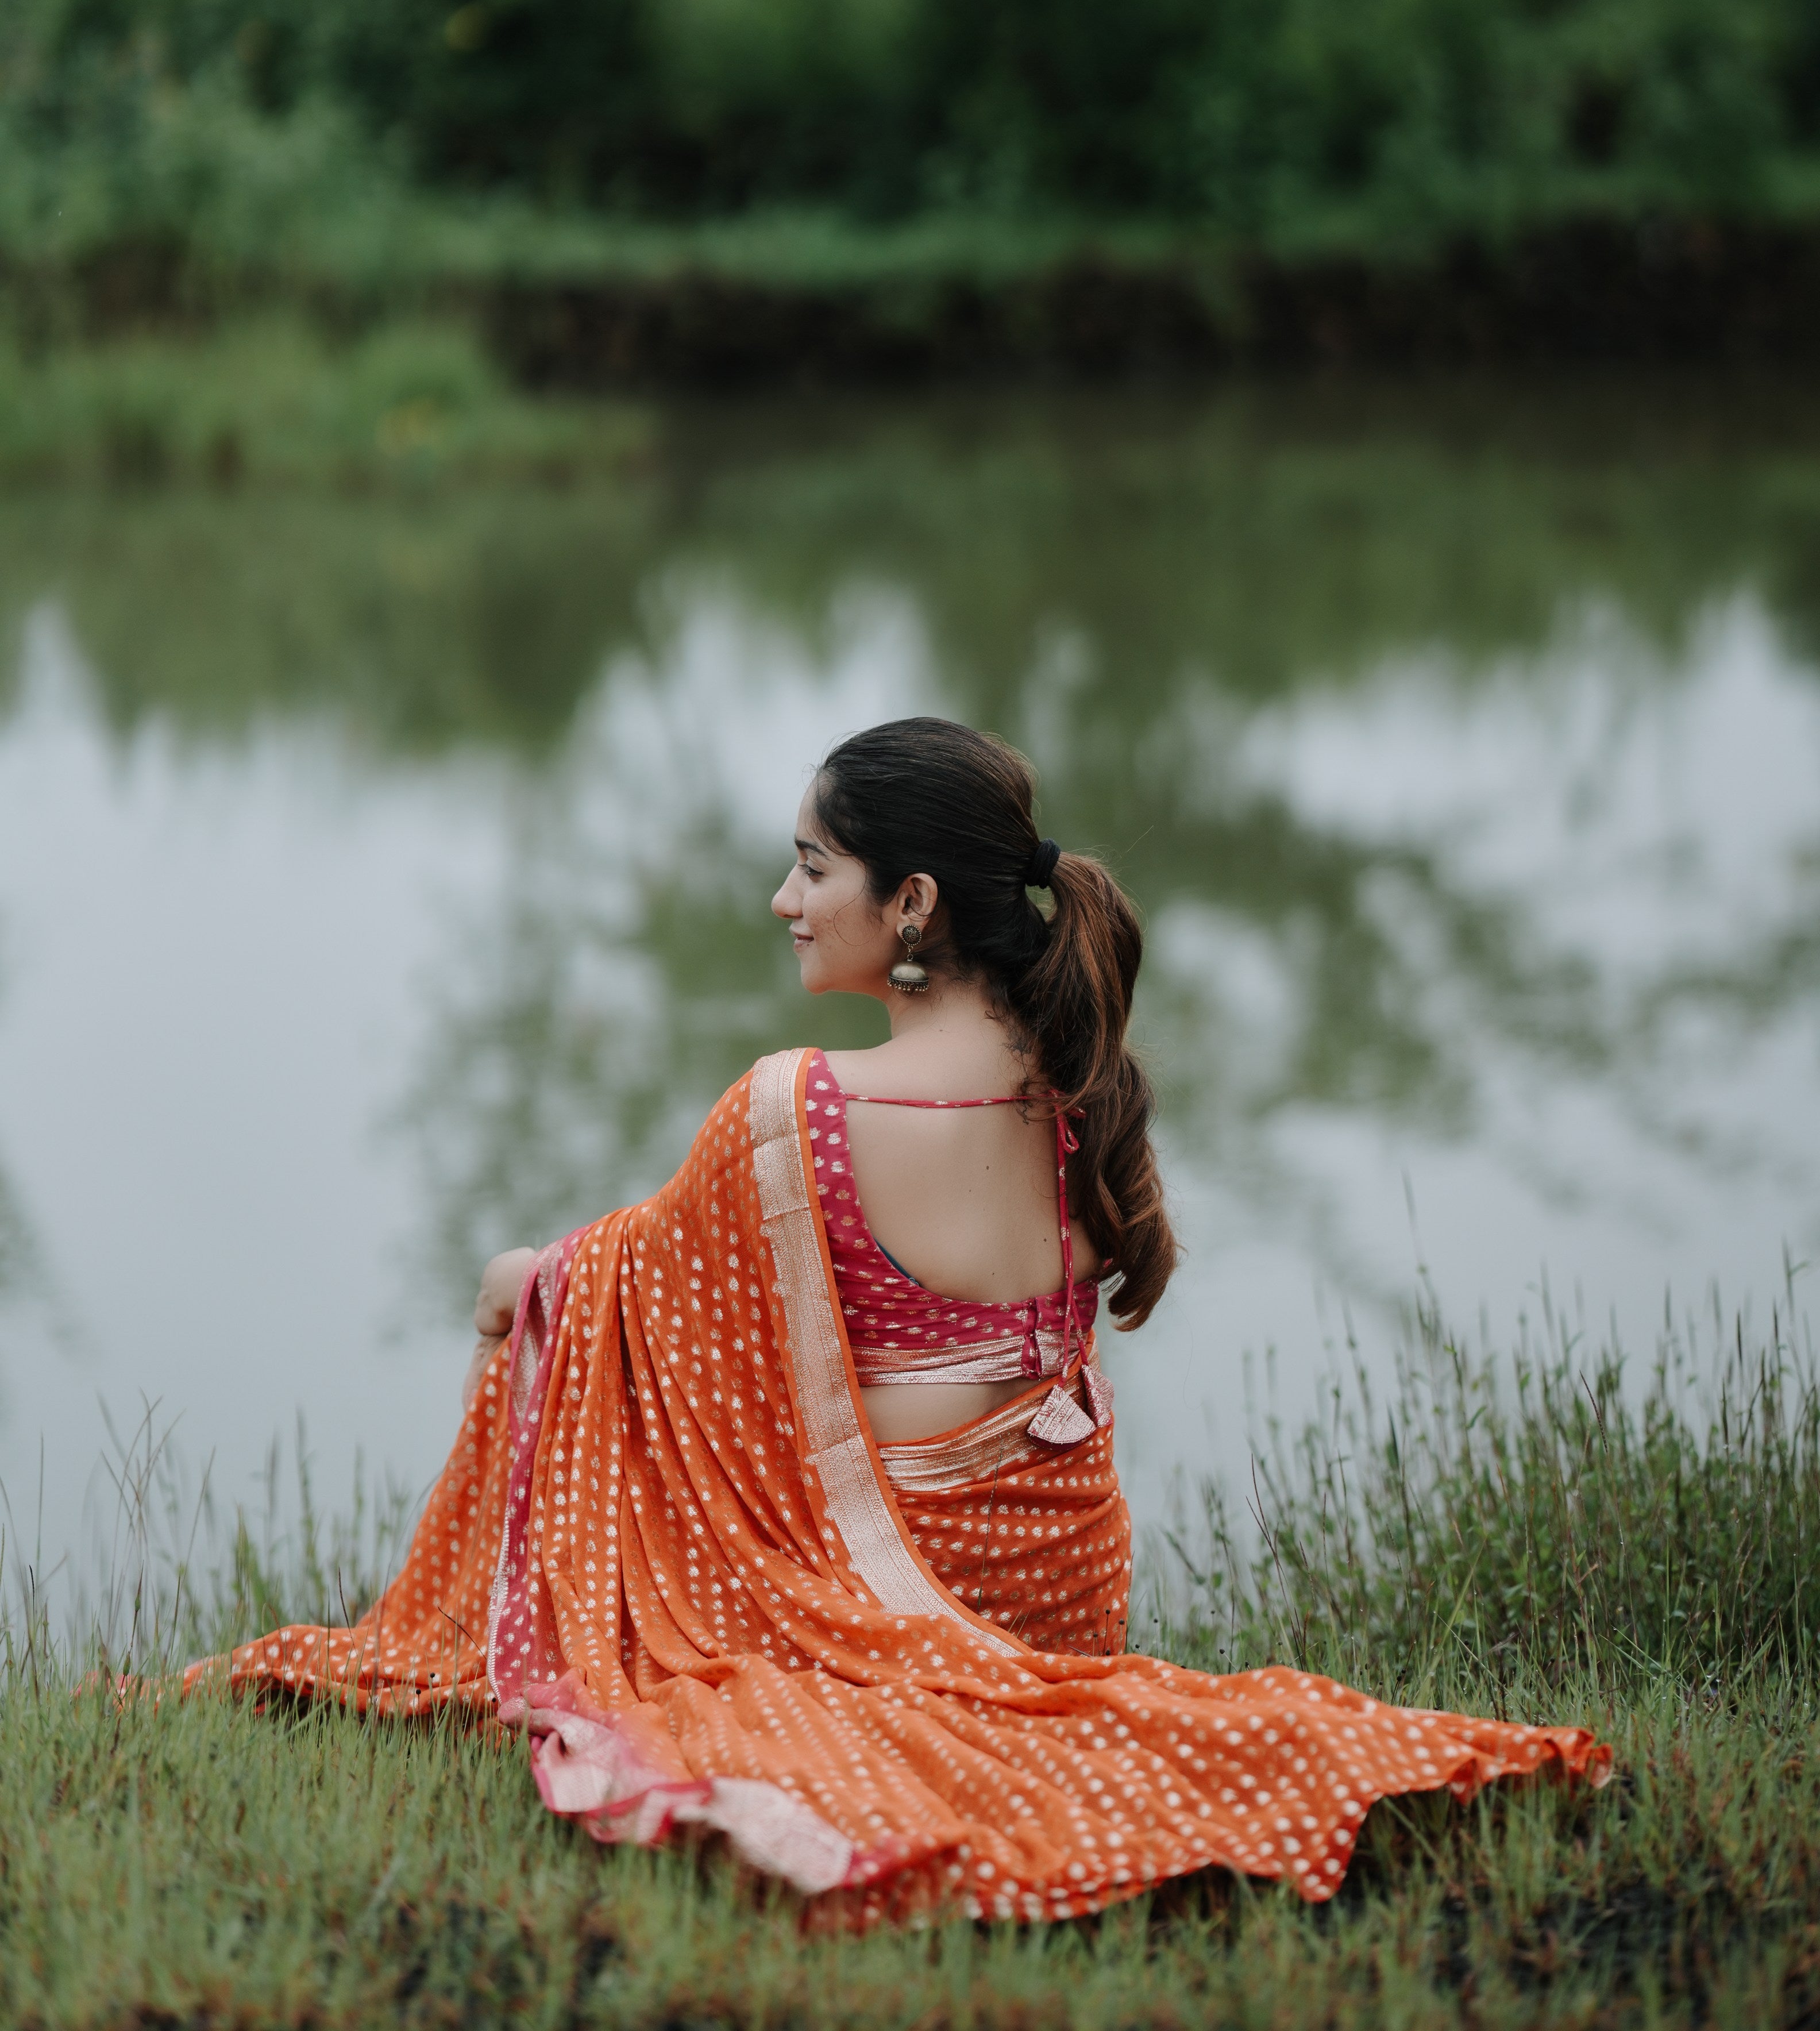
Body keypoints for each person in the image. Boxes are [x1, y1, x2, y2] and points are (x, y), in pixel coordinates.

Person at [192, 718, 1607, 1925]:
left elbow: (611, 1276)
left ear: (912, 900)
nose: (781, 900)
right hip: (1064, 1576)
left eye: (813, 867)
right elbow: (671, 1268)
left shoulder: (799, 1109)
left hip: (900, 1579)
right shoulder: (1076, 1076)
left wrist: (523, 1284)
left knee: (549, 1310)